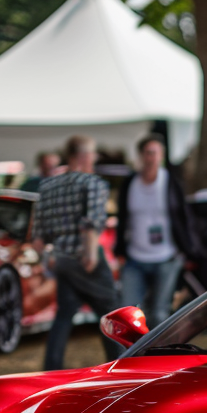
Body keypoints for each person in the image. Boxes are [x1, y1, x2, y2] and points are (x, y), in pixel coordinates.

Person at [33, 134, 125, 371]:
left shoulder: (48, 185)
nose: (94, 158)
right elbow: (91, 223)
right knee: (112, 312)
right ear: (82, 155)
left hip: (60, 259)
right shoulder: (93, 183)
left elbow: (39, 232)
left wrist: (47, 259)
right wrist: (91, 256)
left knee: (64, 313)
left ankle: (51, 368)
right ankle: (122, 366)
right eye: (92, 153)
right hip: (85, 257)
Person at [115, 133, 204, 328]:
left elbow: (184, 217)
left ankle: (156, 356)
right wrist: (119, 249)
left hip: (166, 257)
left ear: (161, 156)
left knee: (159, 312)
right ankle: (126, 357)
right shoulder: (130, 184)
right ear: (140, 156)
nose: (151, 158)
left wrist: (189, 249)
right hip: (135, 258)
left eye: (155, 153)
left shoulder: (171, 183)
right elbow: (122, 218)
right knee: (126, 312)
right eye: (147, 153)